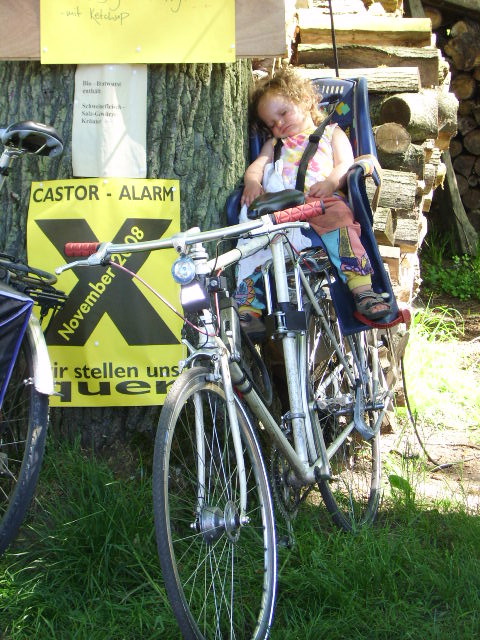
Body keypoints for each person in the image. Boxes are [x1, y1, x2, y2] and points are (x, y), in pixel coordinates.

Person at [234, 66, 390, 336]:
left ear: (305, 101)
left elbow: (344, 164)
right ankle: (249, 308)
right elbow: (258, 165)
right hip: (282, 206)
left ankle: (362, 290)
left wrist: (331, 183)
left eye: (283, 114)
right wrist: (253, 182)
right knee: (252, 234)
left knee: (341, 221)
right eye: (271, 123)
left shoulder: (332, 133)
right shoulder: (275, 144)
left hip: (320, 201)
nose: (279, 125)